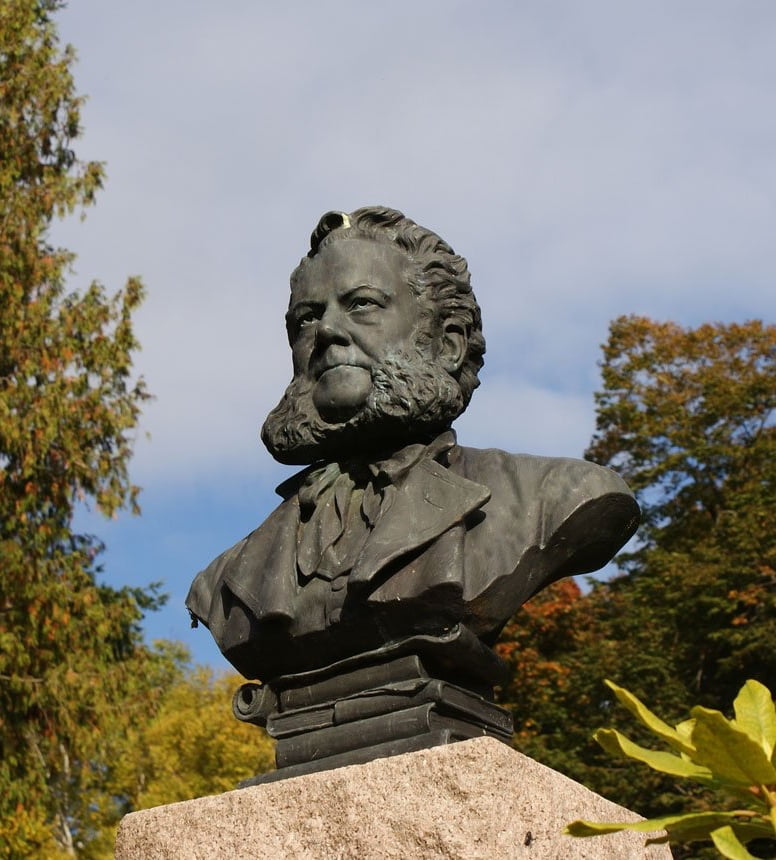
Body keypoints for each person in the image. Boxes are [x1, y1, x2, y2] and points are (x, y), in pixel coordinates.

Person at [186, 207, 639, 683]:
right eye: (306, 318)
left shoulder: (557, 497)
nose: (326, 332)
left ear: (448, 344)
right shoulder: (225, 580)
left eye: (361, 304)